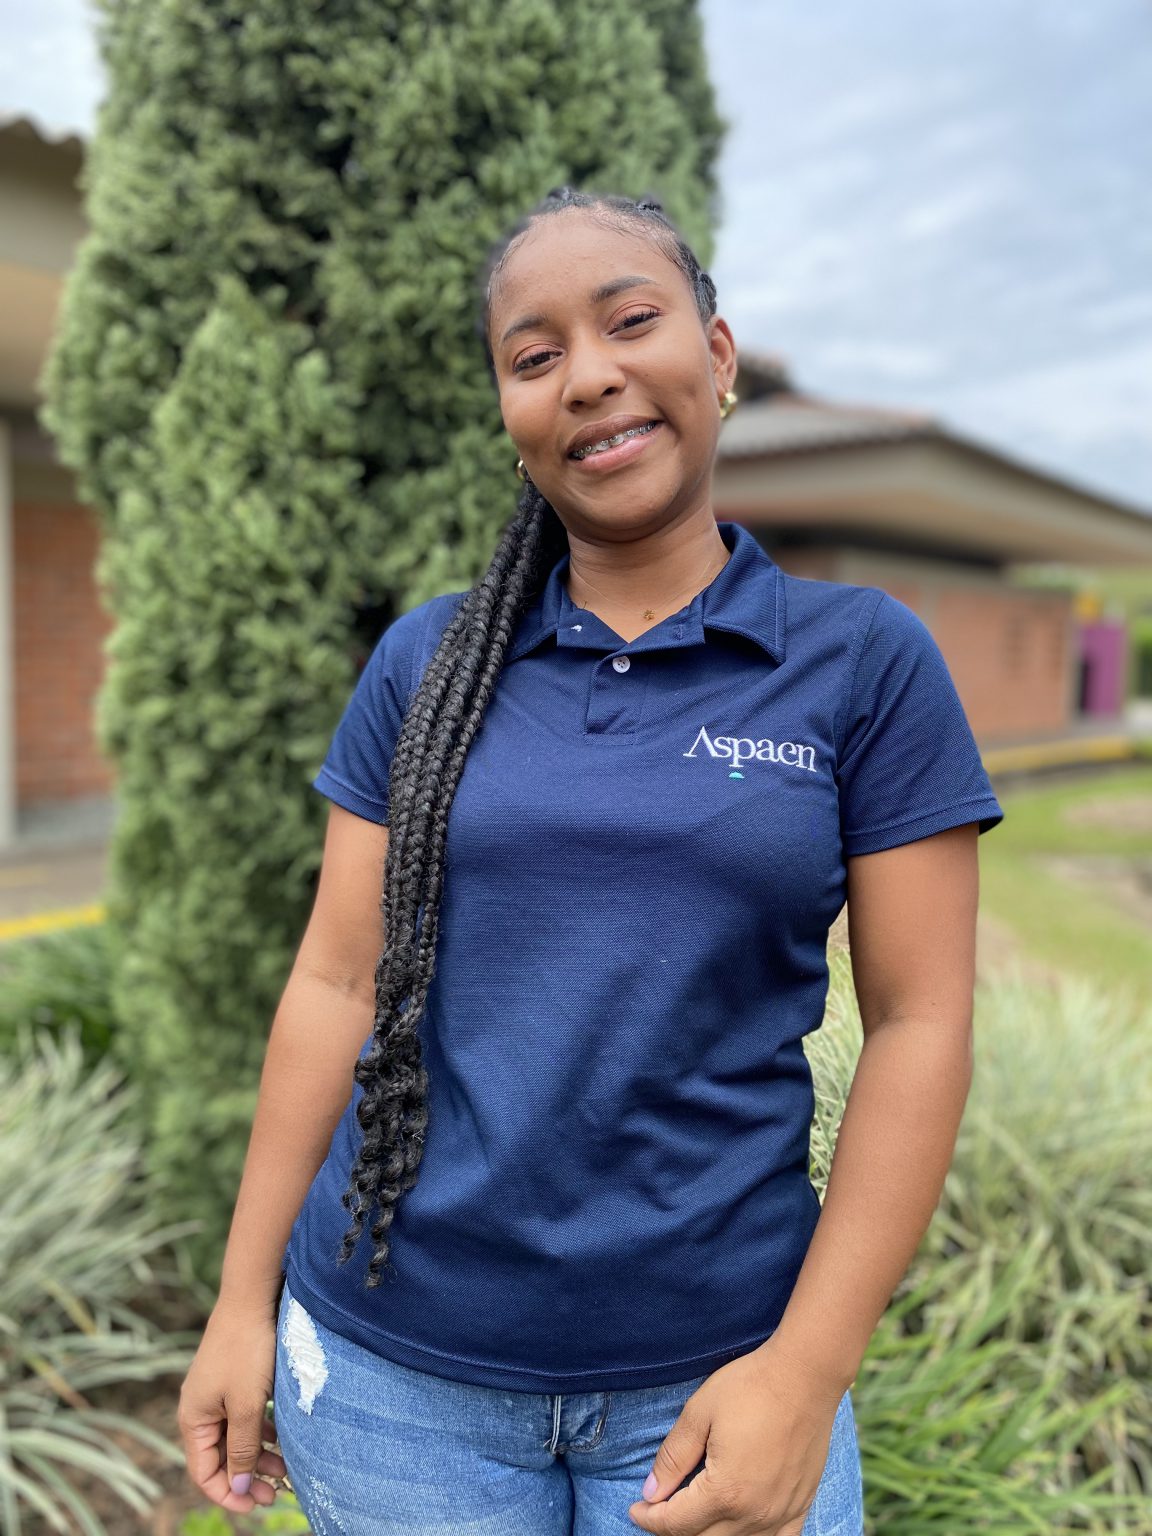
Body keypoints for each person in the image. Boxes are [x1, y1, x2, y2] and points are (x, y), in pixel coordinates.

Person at [178, 186, 1004, 1536]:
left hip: (720, 1376)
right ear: (511, 413)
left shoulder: (861, 661)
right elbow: (334, 983)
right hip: (393, 1380)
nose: (588, 376)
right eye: (534, 354)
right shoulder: (428, 664)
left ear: (717, 356)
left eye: (630, 322)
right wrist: (237, 1303)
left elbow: (922, 1022)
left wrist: (808, 1373)